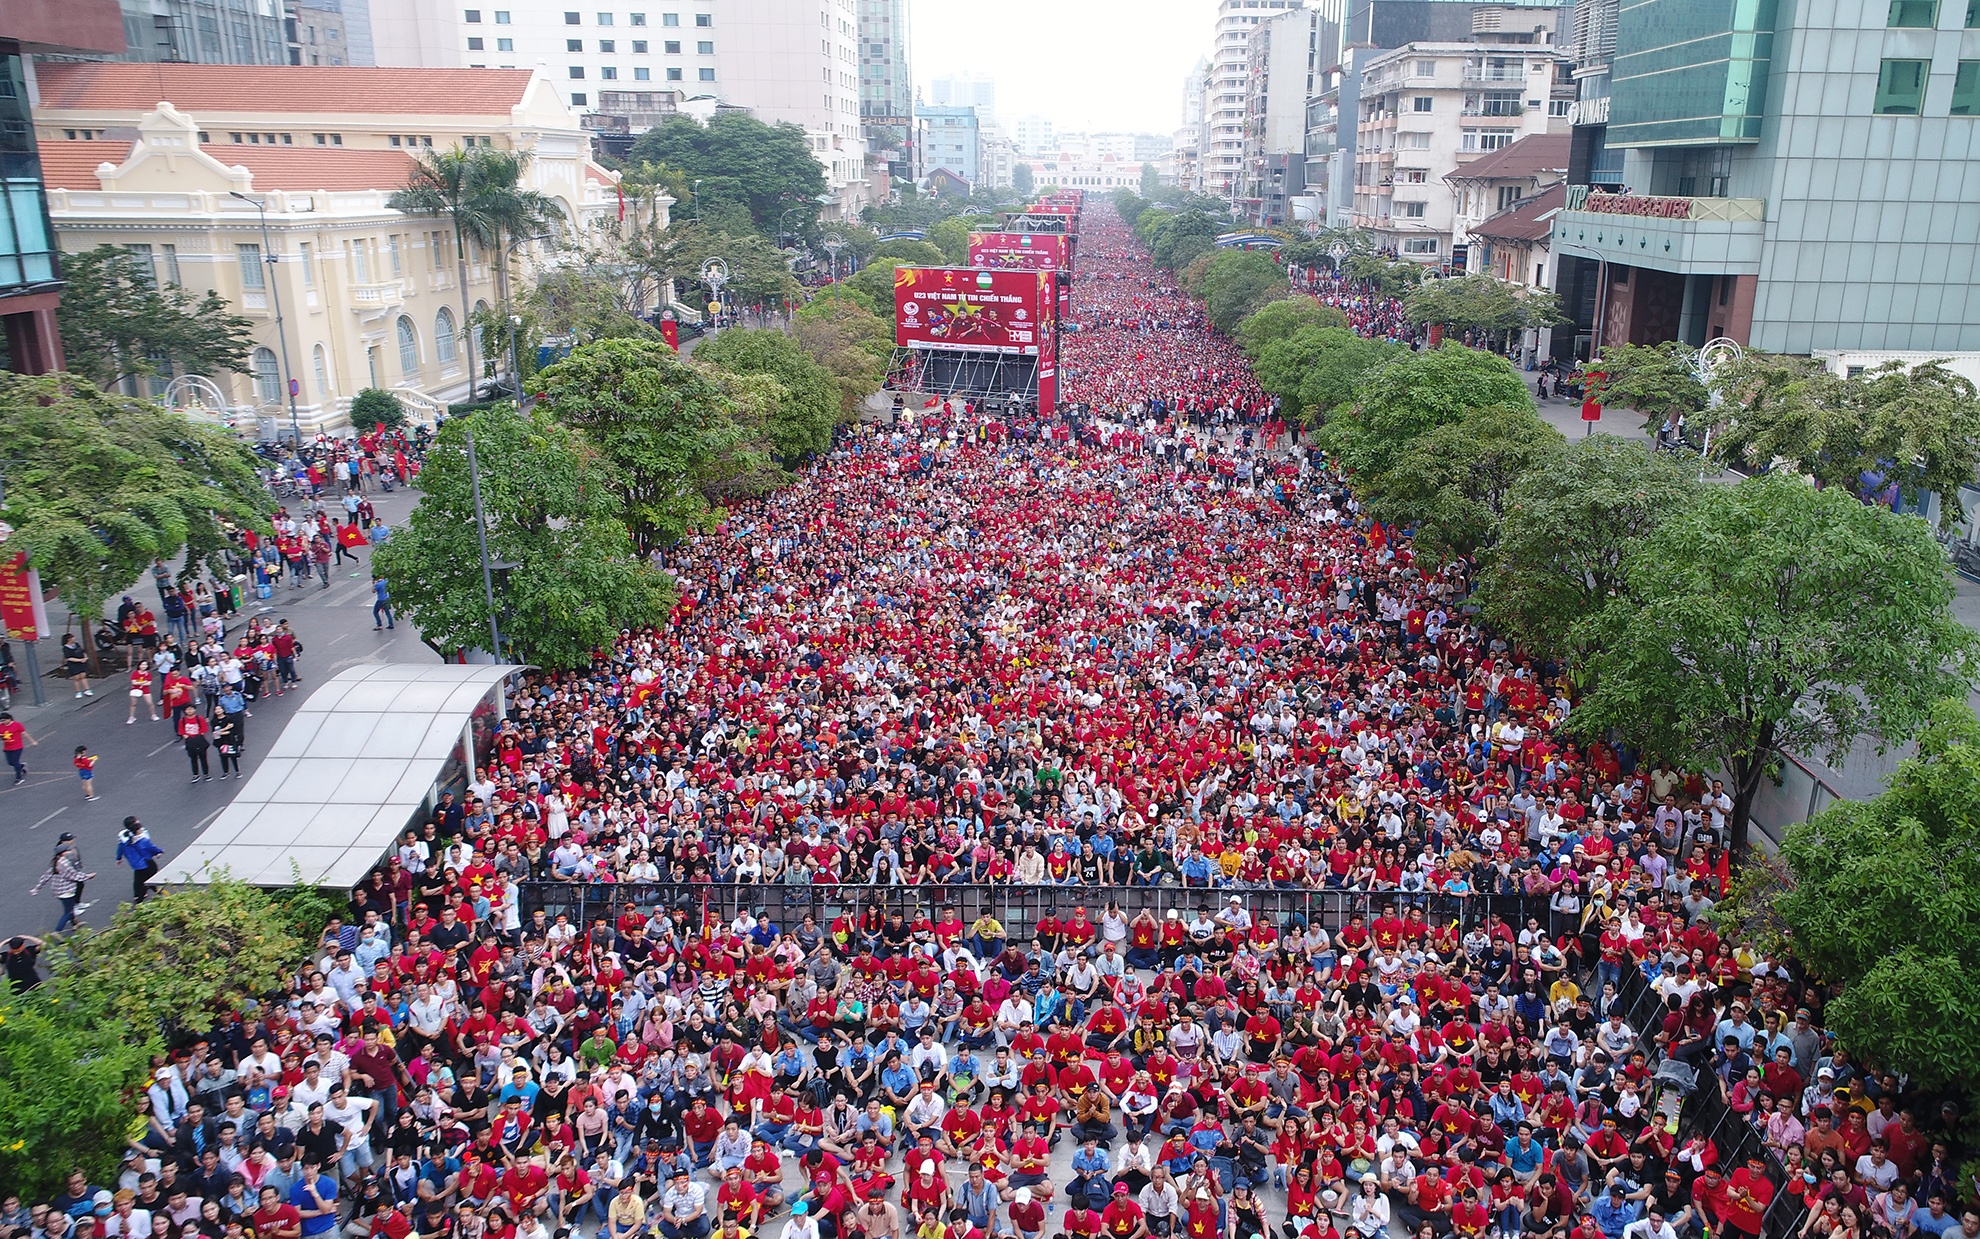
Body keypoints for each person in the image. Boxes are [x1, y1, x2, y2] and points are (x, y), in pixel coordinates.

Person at [116, 819, 165, 902]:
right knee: (148, 878)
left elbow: (120, 849)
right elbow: (152, 848)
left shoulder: (124, 842)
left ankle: (148, 892)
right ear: (137, 831)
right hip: (146, 863)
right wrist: (160, 851)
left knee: (139, 878)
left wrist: (119, 858)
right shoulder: (142, 841)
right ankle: (141, 898)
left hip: (136, 864)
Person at [0, 711, 35, 784]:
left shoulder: (17, 725)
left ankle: (18, 778)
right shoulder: (1, 726)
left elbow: (24, 733)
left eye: (4, 720)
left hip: (17, 746)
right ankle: (21, 766)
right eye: (2, 721)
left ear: (9, 718)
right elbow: (2, 736)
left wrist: (32, 741)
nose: (3, 722)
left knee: (15, 762)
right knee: (10, 762)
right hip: (7, 747)